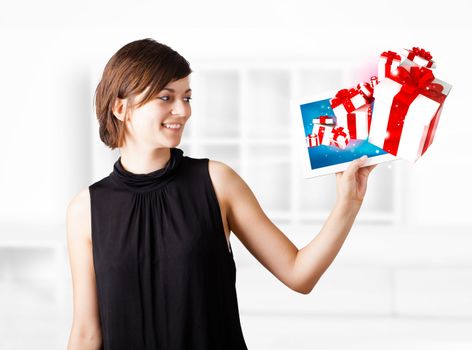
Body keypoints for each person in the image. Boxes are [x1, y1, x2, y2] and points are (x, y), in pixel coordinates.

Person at [65, 38, 376, 350]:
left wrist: (348, 203)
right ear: (121, 108)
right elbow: (86, 334)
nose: (182, 110)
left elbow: (299, 274)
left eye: (187, 97)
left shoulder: (216, 181)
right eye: (165, 97)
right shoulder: (85, 209)